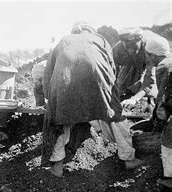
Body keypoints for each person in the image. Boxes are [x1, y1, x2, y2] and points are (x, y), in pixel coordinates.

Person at [42, 22, 144, 178]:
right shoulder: (100, 39)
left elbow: (48, 72)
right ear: (90, 31)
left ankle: (57, 166)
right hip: (98, 79)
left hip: (65, 80)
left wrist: (50, 100)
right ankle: (129, 158)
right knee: (113, 116)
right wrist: (110, 93)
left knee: (60, 122)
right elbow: (111, 67)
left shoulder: (64, 40)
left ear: (75, 32)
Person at [143, 34, 172, 192]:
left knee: (168, 139)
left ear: (153, 55)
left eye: (148, 55)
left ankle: (170, 178)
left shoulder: (162, 66)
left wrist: (157, 118)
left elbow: (163, 95)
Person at [112, 28, 158, 106]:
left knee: (153, 90)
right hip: (130, 64)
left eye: (134, 47)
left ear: (140, 41)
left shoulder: (149, 48)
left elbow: (150, 79)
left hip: (148, 61)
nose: (131, 50)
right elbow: (111, 71)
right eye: (128, 48)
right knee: (123, 88)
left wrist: (135, 98)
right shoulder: (117, 49)